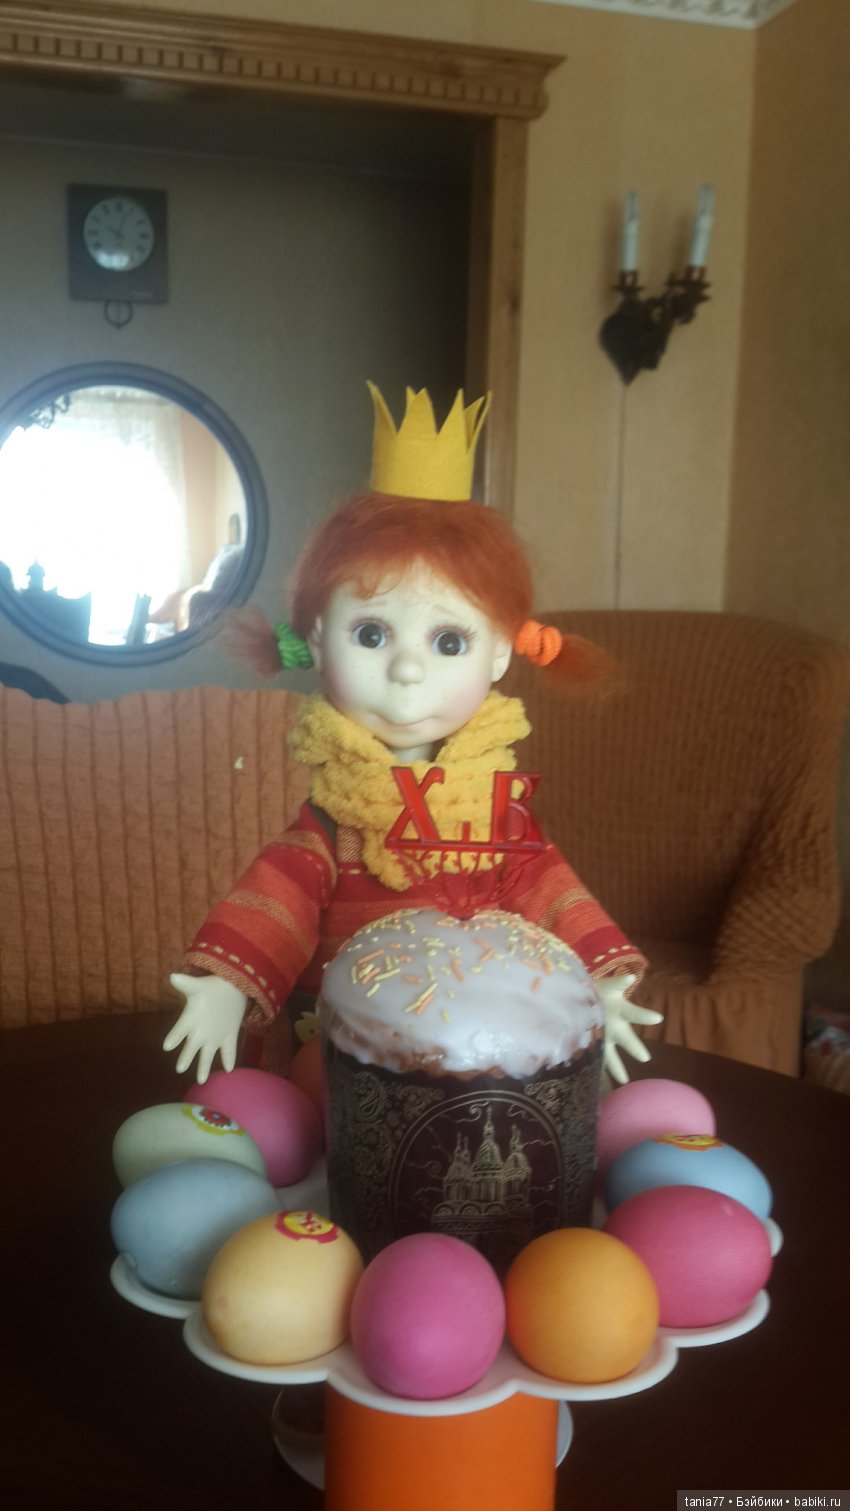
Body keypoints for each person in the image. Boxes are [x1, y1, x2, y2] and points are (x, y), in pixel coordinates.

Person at [165, 384, 660, 1086]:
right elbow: (280, 899)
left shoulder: (497, 816)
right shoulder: (333, 825)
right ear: (317, 639)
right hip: (348, 1053)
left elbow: (548, 888)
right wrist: (227, 984)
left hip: (481, 1048)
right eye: (371, 633)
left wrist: (602, 983)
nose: (405, 670)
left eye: (449, 641)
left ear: (500, 653)